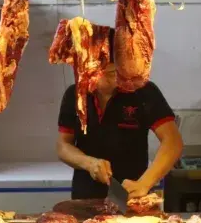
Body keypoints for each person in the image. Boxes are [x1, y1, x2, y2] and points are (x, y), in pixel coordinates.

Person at [56, 29, 184, 200]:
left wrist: (144, 184)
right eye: (107, 74)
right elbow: (63, 146)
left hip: (132, 195)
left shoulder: (143, 91)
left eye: (116, 72)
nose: (114, 80)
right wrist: (89, 163)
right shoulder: (75, 94)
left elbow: (172, 142)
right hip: (85, 197)